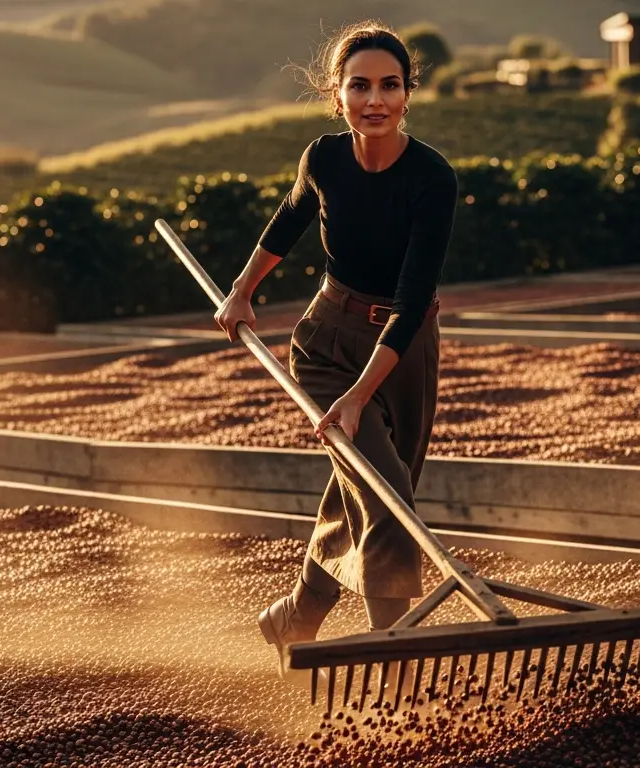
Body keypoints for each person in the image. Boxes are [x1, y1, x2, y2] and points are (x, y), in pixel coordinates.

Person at [212, 21, 459, 677]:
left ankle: (297, 614)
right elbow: (291, 219)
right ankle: (395, 663)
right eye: (360, 85)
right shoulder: (323, 158)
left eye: (389, 85)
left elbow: (412, 301)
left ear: (408, 93)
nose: (374, 99)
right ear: (336, 92)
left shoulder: (432, 178)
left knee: (364, 484)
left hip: (404, 351)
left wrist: (362, 396)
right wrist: (240, 292)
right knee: (387, 496)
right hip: (327, 345)